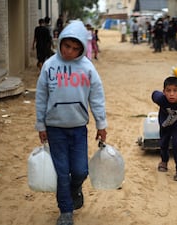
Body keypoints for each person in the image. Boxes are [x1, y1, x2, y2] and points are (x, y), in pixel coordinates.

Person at [35, 20, 107, 225]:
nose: (70, 51)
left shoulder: (87, 68)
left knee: (80, 171)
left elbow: (97, 97)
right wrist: (41, 125)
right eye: (67, 46)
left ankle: (76, 188)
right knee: (61, 172)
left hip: (78, 129)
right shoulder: (49, 65)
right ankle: (65, 210)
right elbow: (41, 97)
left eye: (76, 49)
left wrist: (101, 124)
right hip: (55, 128)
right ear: (60, 42)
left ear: (82, 48)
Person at [152, 76, 177, 181]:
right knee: (163, 143)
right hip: (165, 124)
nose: (171, 94)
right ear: (164, 92)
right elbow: (154, 94)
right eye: (168, 91)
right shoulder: (160, 98)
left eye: (175, 91)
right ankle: (164, 161)